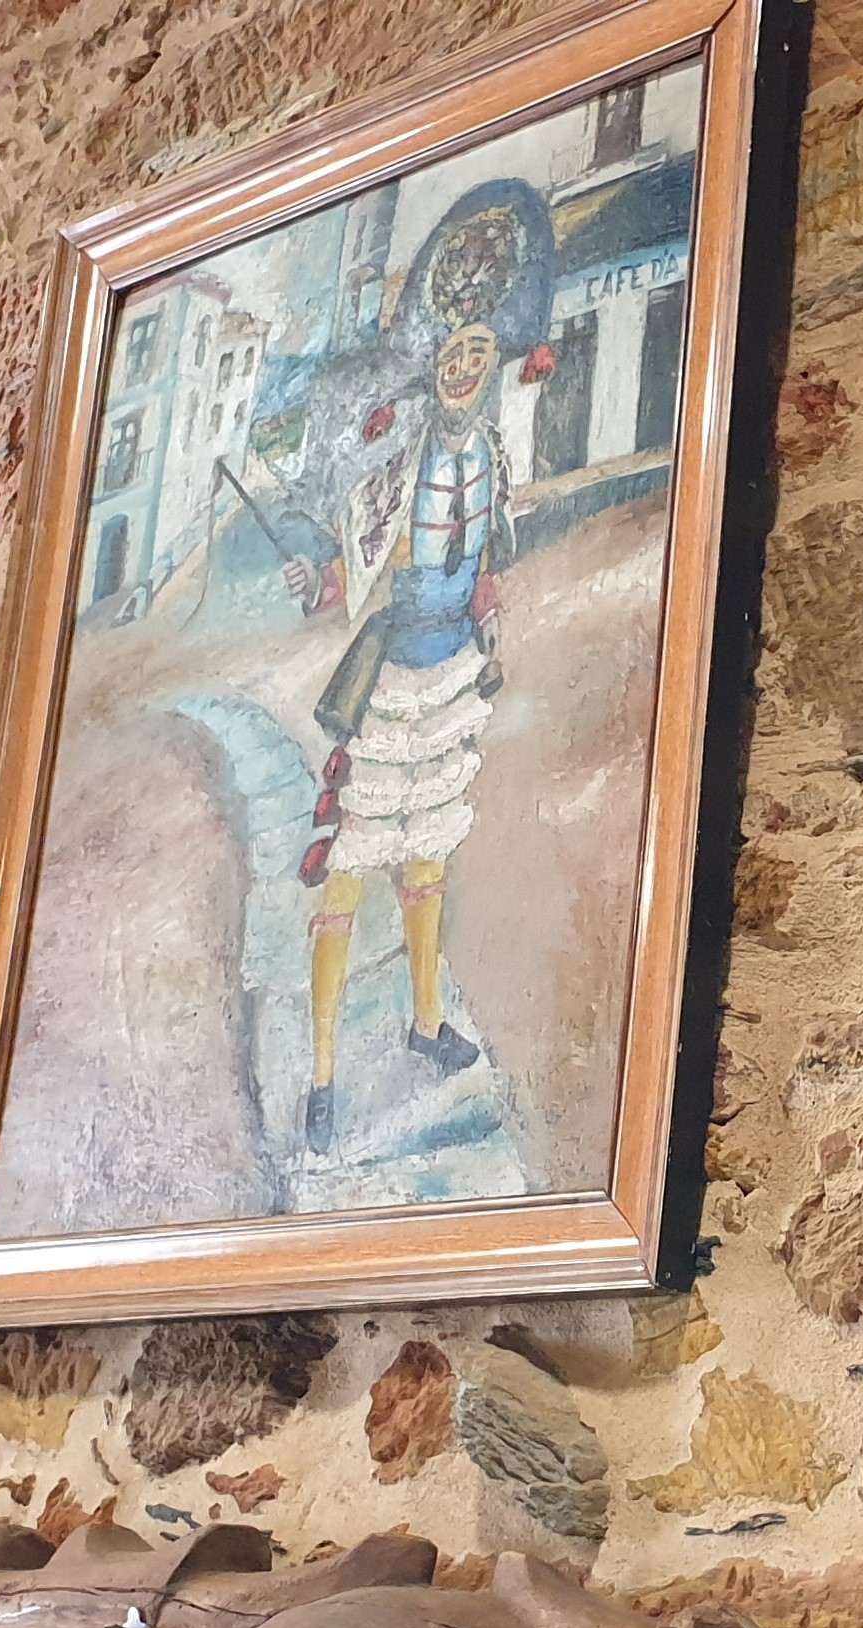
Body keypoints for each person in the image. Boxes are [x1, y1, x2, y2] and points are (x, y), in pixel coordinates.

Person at [292, 318, 509, 1146]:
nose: (462, 368)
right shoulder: (400, 467)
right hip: (390, 685)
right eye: (452, 355)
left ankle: (425, 1023)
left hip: (450, 675)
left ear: (491, 370)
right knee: (349, 871)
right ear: (437, 371)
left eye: (476, 355)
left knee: (428, 860)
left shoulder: (494, 455)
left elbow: (485, 558)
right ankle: (322, 1076)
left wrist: (489, 618)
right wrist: (317, 581)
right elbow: (360, 555)